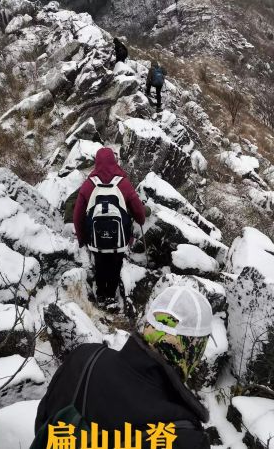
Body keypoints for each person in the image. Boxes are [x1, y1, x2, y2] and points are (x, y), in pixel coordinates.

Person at [34, 286, 213, 448]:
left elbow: (43, 423)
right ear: (194, 349)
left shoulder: (84, 358)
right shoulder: (185, 437)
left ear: (147, 325)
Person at [73, 147, 146, 309]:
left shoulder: (88, 185)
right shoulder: (123, 184)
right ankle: (111, 296)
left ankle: (100, 294)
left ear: (97, 163)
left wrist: (81, 238)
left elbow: (77, 215)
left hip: (95, 239)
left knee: (99, 264)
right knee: (115, 265)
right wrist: (140, 219)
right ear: (114, 162)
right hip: (119, 239)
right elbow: (139, 212)